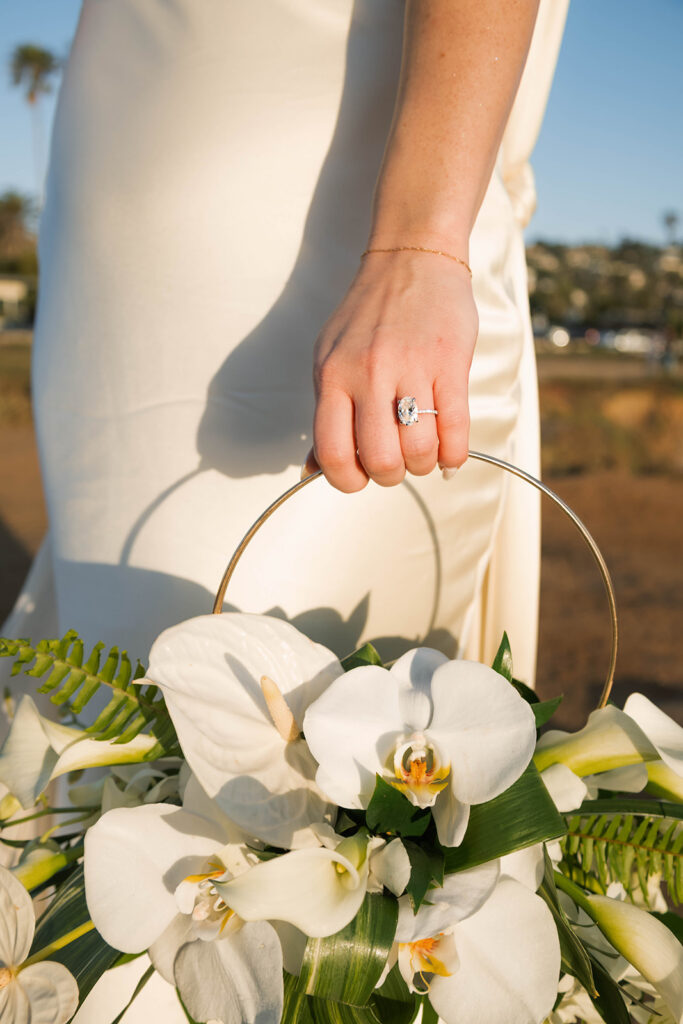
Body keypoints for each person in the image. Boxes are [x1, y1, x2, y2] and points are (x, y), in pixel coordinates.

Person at [2, 0, 570, 1017]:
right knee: (122, 702)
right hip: (131, 140)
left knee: (283, 716)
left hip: (338, 143)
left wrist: (417, 244)